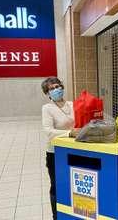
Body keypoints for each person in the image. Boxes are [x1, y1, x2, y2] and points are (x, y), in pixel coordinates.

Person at [41, 77, 79, 220]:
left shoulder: (72, 104)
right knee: (57, 186)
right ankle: (56, 216)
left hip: (74, 150)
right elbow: (49, 132)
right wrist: (70, 133)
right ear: (47, 93)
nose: (56, 89)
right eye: (52, 88)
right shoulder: (47, 108)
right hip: (55, 153)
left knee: (73, 184)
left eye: (58, 86)